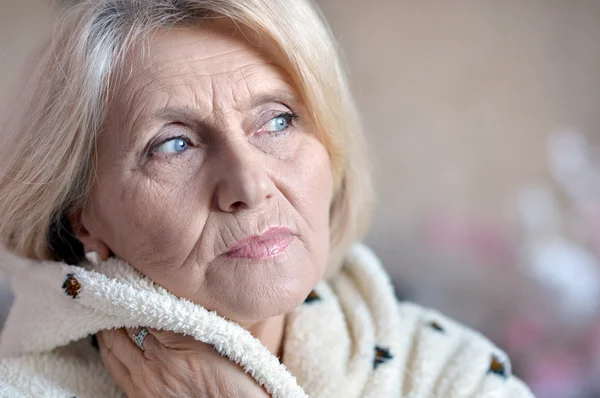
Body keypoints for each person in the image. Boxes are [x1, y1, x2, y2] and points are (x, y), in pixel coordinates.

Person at [0, 0, 534, 397]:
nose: (250, 186)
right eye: (174, 144)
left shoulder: (455, 374)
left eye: (278, 120)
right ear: (82, 216)